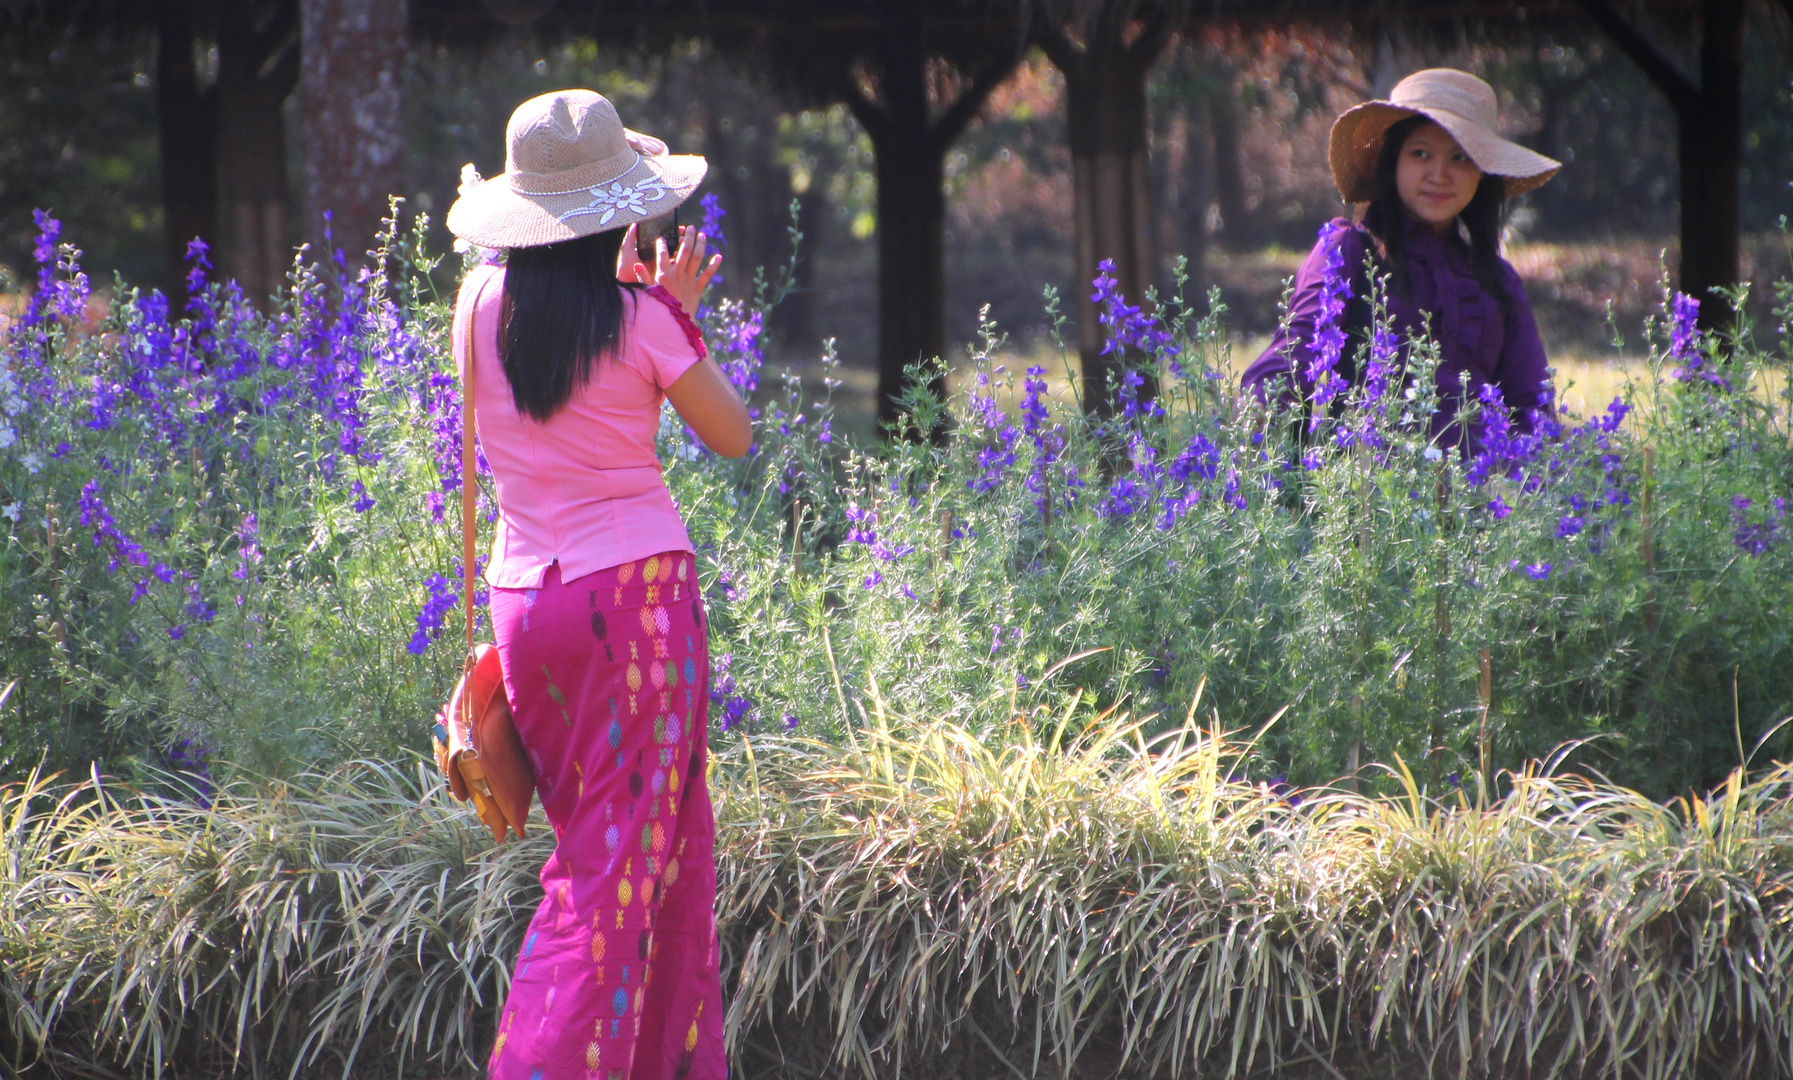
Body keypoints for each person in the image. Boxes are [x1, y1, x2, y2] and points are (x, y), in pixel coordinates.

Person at [446, 89, 750, 1080]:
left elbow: (541, 427)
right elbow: (733, 436)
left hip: (527, 607)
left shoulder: (478, 303)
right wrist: (673, 317)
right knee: (616, 874)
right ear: (618, 212)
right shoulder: (640, 320)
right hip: (637, 609)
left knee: (647, 861)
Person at [1241, 68, 1563, 448]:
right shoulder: (1346, 249)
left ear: (1482, 174)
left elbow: (1532, 409)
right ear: (1391, 162)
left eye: (1461, 157)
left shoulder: (1498, 280)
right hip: (1367, 493)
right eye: (1420, 153)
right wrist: (1260, 453)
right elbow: (1290, 361)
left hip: (1477, 497)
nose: (1439, 174)